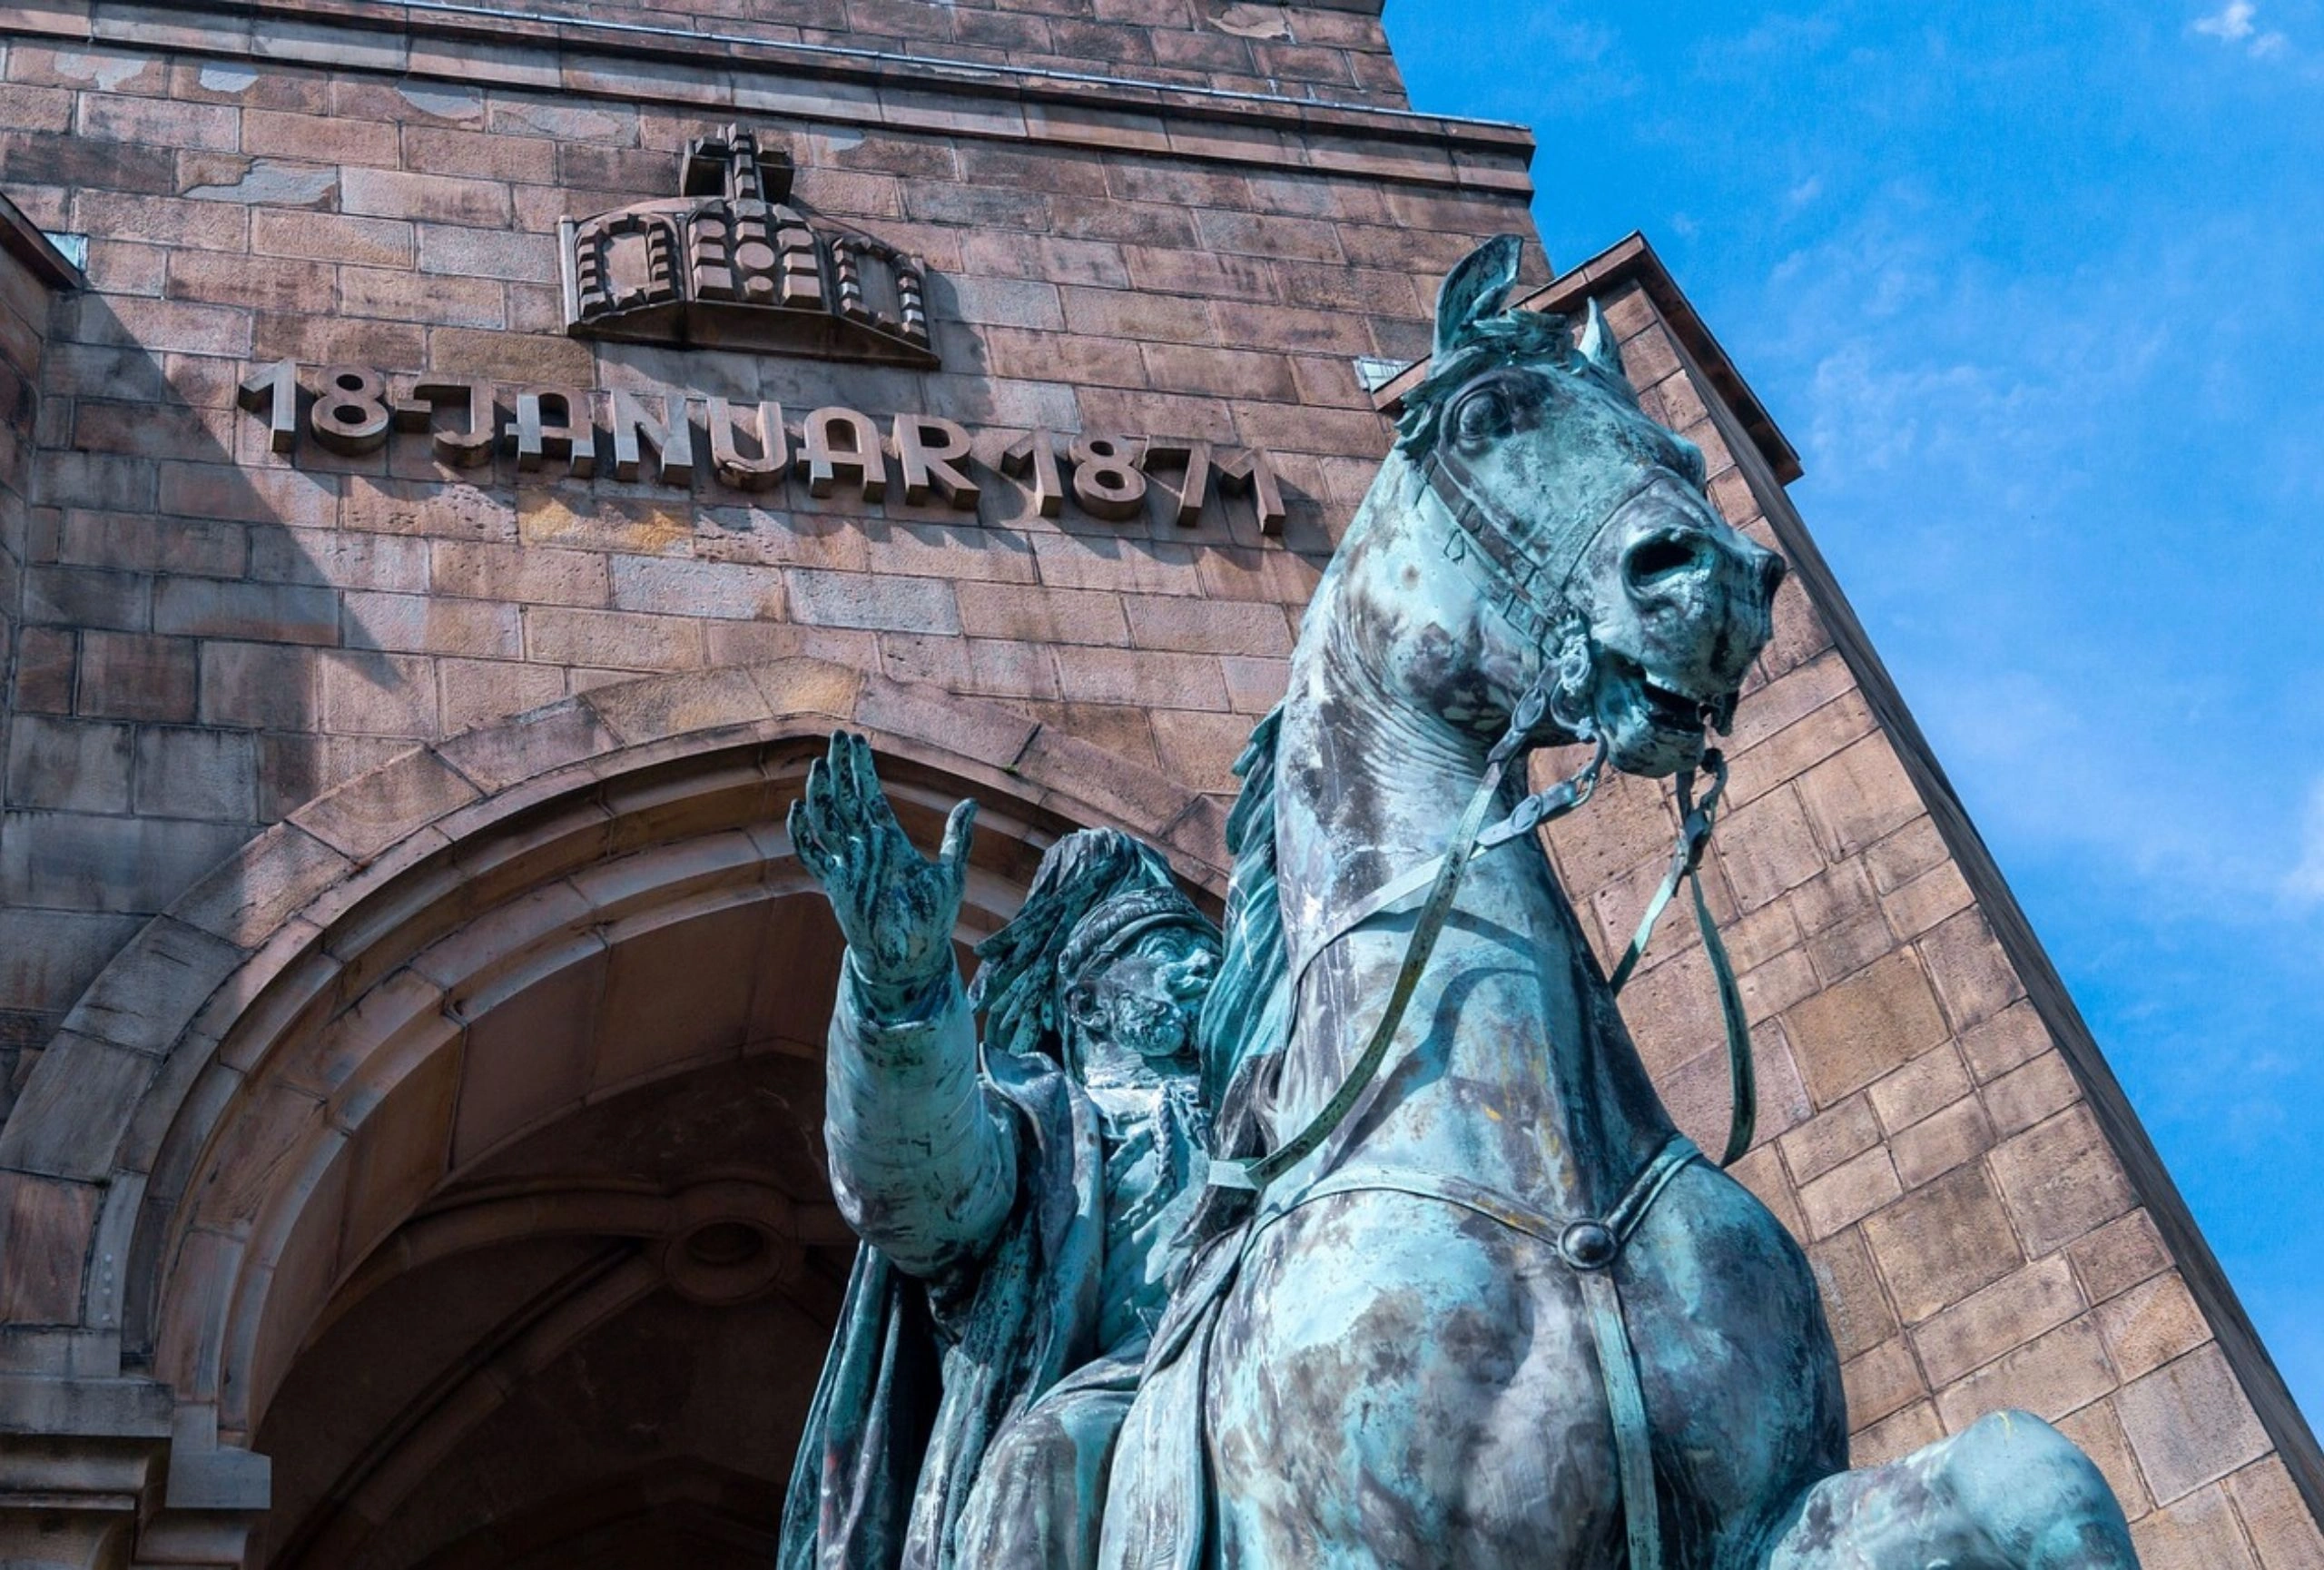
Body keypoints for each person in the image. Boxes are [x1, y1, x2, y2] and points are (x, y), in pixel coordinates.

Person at [777, 733, 1220, 1570]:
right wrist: (900, 983)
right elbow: (920, 1184)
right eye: (1169, 956)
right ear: (1087, 1000)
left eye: (1205, 952)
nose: (1201, 970)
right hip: (1134, 1379)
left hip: (1284, 1339)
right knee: (1045, 1455)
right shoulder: (1054, 1124)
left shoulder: (1274, 1102)